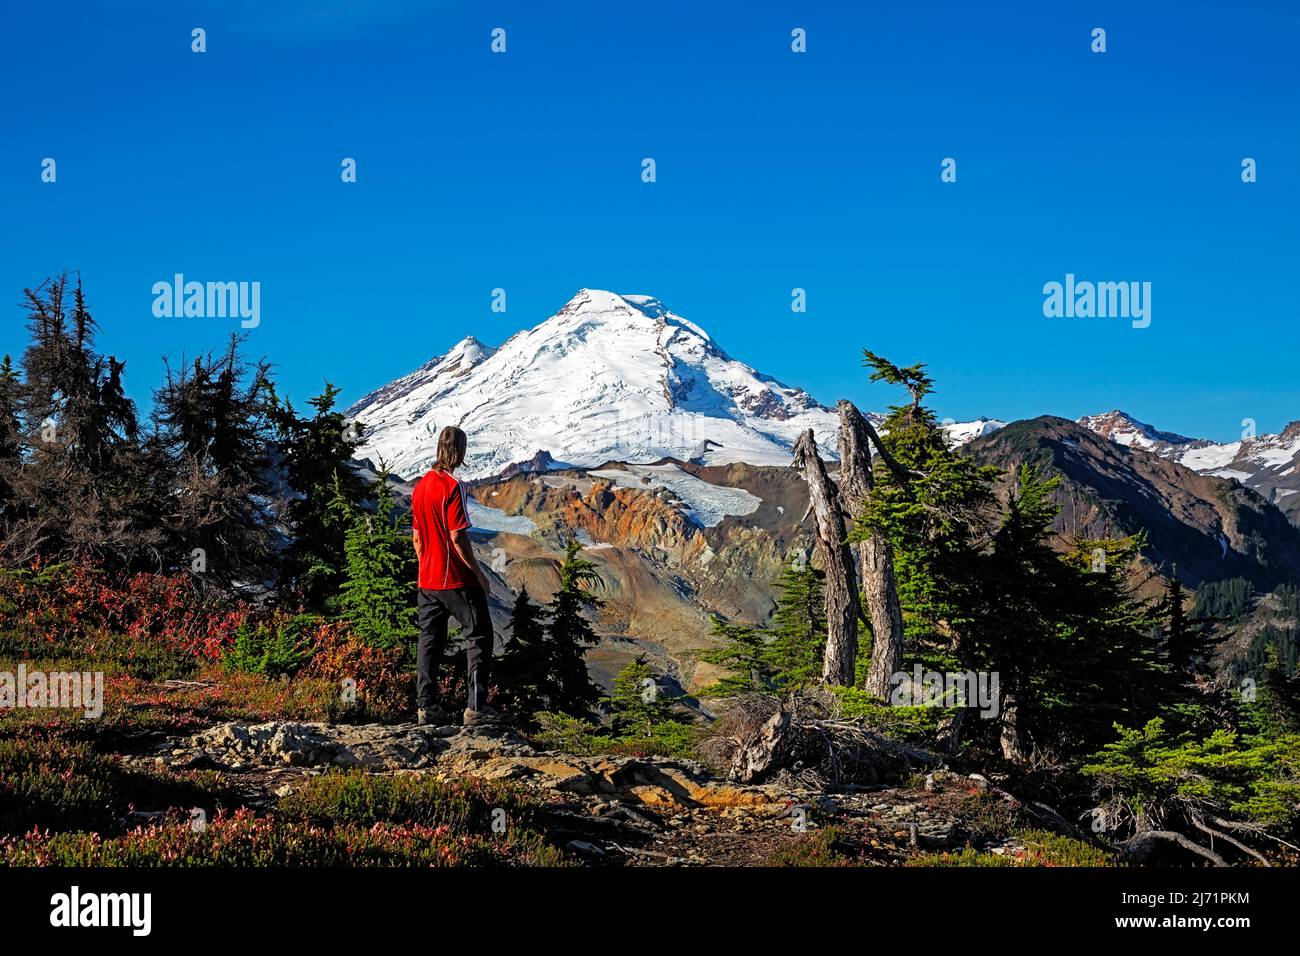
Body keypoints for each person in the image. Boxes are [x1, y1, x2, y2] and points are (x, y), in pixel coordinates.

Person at [410, 425, 498, 726]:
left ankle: (427, 707)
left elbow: (418, 539)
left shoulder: (420, 487)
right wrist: (478, 574)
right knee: (480, 635)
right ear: (459, 451)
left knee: (429, 641)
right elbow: (458, 536)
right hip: (456, 579)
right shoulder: (452, 486)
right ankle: (475, 708)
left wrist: (425, 569)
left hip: (428, 581)